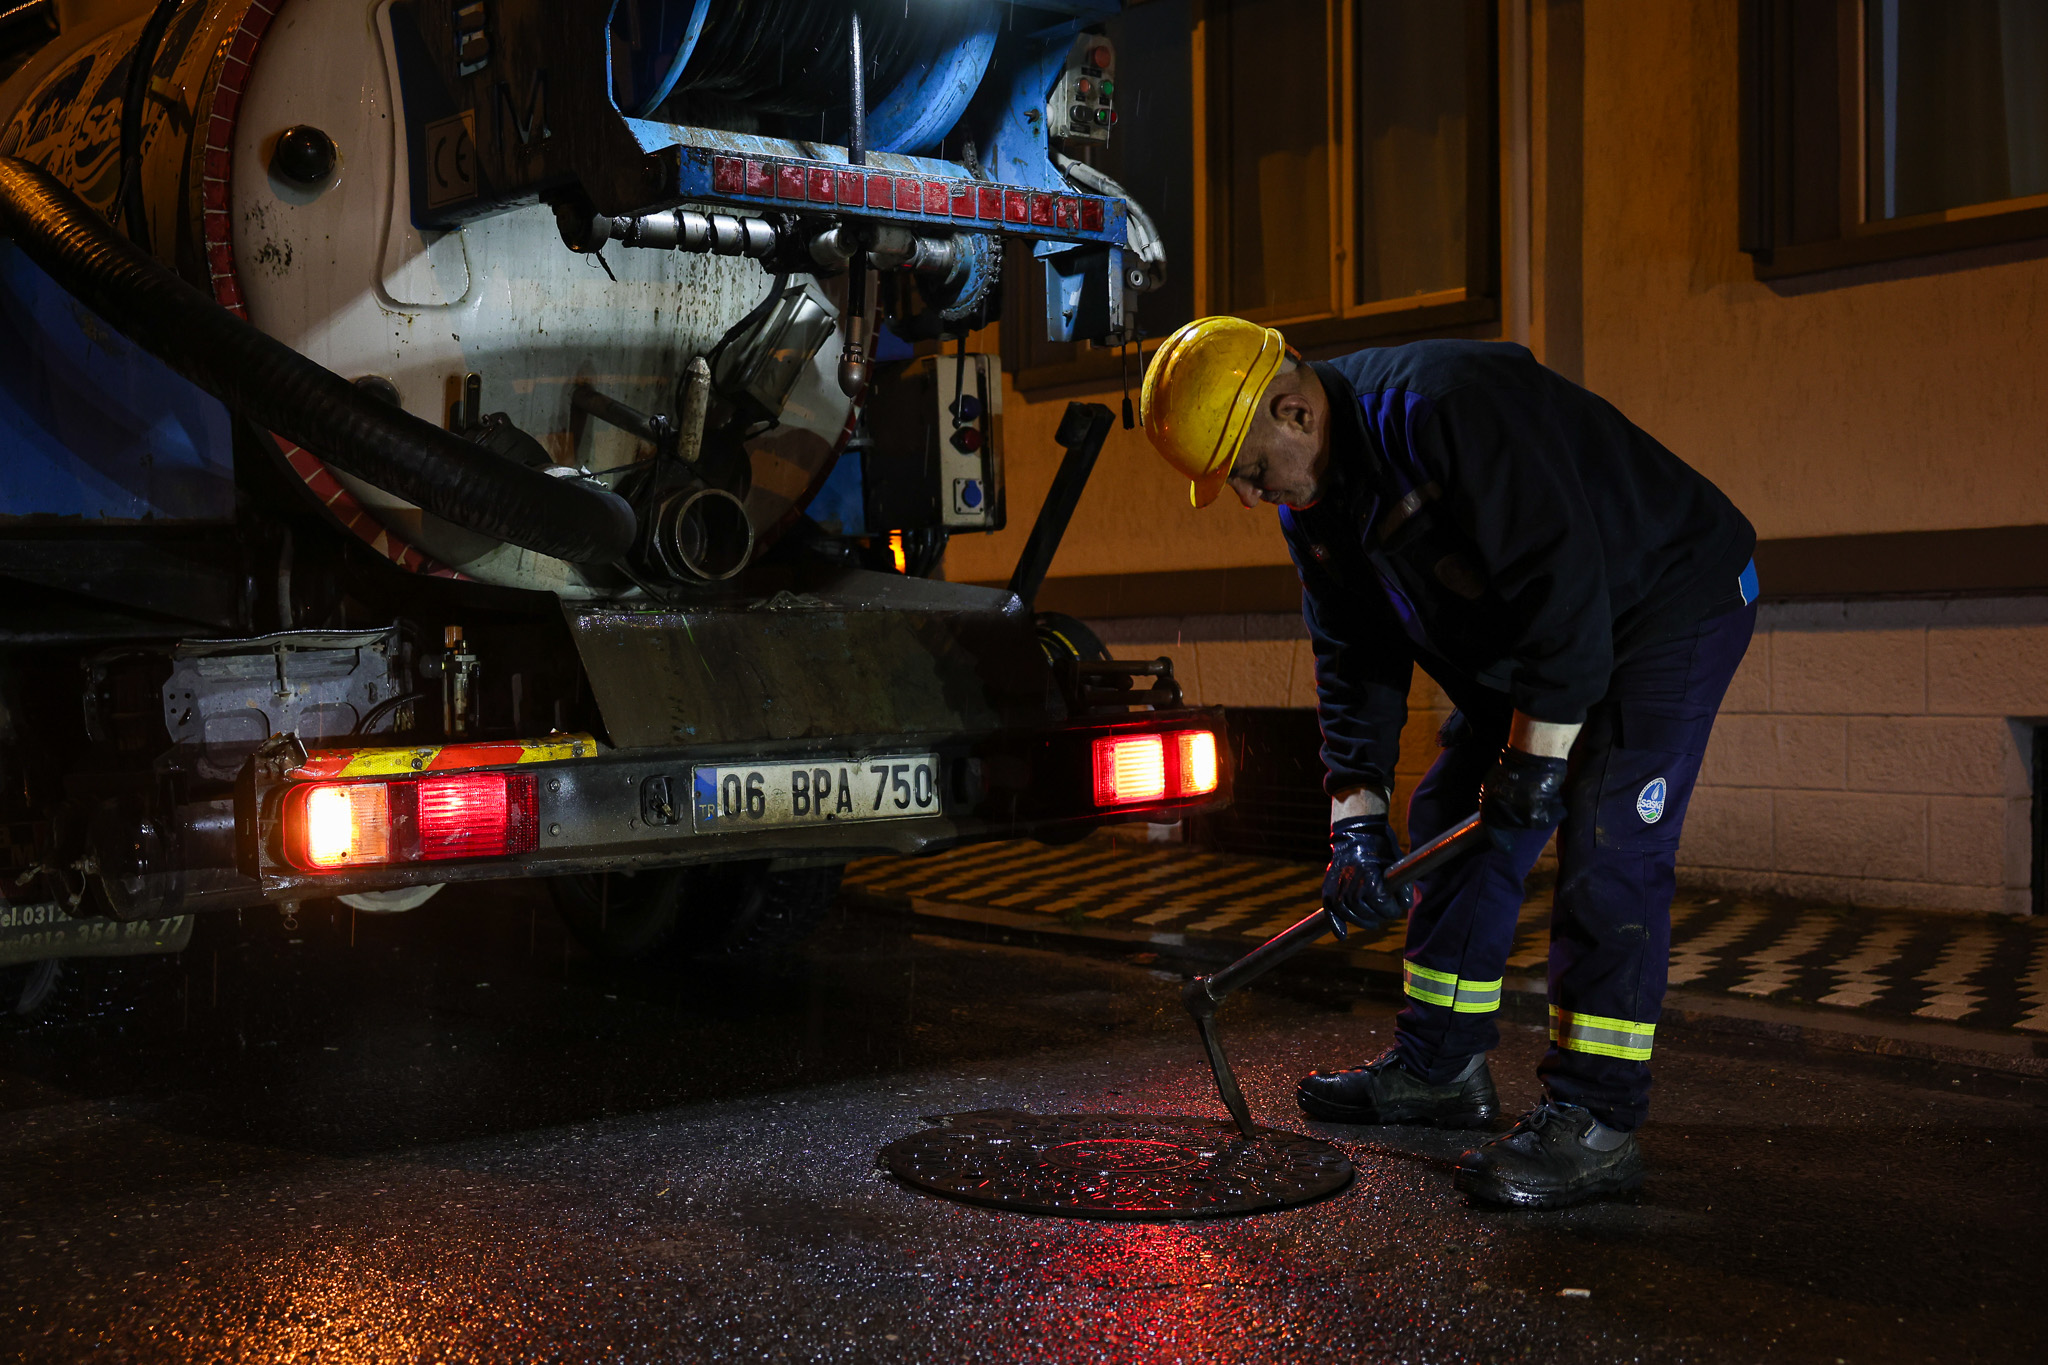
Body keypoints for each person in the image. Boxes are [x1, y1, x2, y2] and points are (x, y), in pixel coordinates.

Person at [1140, 317, 1757, 1209]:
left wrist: (1538, 764)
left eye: (1246, 468)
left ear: (1294, 413)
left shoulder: (1449, 409)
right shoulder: (1314, 506)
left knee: (1606, 837)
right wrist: (1354, 827)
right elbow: (1353, 659)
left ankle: (1596, 1117)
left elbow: (1564, 586)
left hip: (1666, 597)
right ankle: (1440, 1070)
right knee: (1454, 819)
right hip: (1550, 632)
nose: (1246, 495)